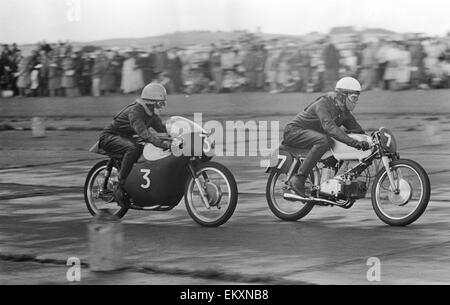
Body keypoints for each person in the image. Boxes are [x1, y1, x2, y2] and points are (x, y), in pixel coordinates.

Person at [282, 77, 371, 198]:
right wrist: (354, 143)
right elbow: (330, 128)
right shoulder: (323, 103)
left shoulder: (344, 113)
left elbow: (358, 131)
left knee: (338, 144)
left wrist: (371, 142)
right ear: (342, 96)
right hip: (294, 132)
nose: (355, 101)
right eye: (353, 98)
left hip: (312, 135)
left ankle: (330, 185)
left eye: (357, 98)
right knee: (325, 141)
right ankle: (299, 178)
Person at [98, 83, 172, 207]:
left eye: (163, 103)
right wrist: (163, 144)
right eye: (160, 103)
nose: (162, 106)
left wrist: (179, 138)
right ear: (151, 102)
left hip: (126, 138)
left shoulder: (151, 114)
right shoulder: (135, 111)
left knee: (143, 149)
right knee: (133, 148)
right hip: (109, 137)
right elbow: (145, 134)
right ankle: (119, 185)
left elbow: (163, 131)